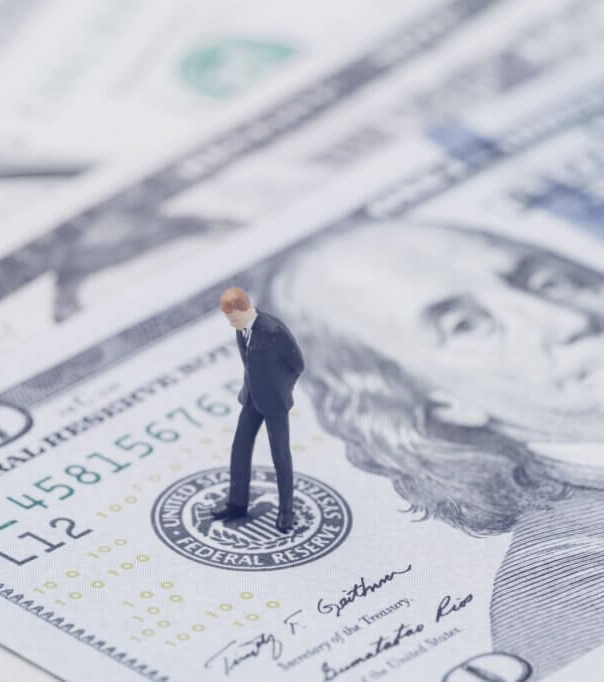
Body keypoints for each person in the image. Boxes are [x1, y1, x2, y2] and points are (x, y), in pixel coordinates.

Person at [258, 220, 604, 679]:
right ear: (438, 401)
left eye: (545, 281)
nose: (568, 320)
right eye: (466, 326)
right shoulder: (564, 583)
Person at [212, 286, 304, 531]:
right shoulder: (241, 330)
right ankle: (236, 503)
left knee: (280, 457)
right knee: (239, 447)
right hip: (252, 397)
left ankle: (286, 512)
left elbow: (297, 363)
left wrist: (281, 390)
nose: (231, 324)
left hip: (274, 403)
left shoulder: (273, 330)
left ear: (245, 309)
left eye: (233, 318)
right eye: (228, 319)